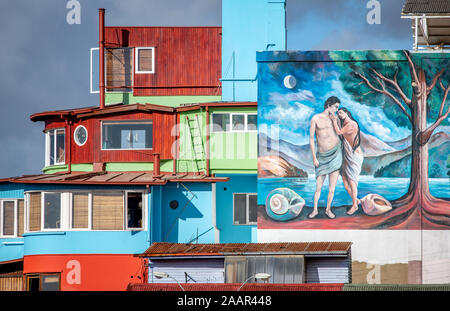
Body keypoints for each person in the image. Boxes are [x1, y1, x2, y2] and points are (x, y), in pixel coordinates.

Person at [309, 96, 343, 219]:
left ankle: (328, 209)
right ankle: (315, 210)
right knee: (318, 187)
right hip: (322, 156)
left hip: (336, 154)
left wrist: (335, 121)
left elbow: (339, 133)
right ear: (329, 105)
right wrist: (314, 158)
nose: (336, 110)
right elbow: (312, 140)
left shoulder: (335, 118)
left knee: (332, 188)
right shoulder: (315, 118)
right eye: (335, 107)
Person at [330, 107, 364, 215]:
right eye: (338, 113)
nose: (339, 115)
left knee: (352, 181)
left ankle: (354, 206)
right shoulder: (345, 124)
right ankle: (356, 200)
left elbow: (339, 132)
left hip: (354, 156)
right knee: (345, 181)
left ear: (346, 113)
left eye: (341, 113)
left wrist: (334, 121)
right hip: (347, 156)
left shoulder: (351, 124)